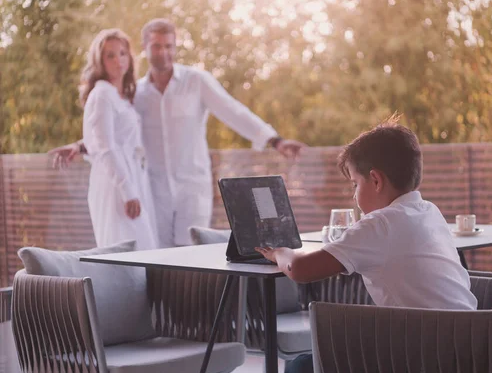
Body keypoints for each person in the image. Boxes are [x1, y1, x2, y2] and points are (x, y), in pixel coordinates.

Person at [50, 19, 305, 248]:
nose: (164, 53)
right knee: (158, 258)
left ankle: (192, 303)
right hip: (153, 188)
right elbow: (114, 132)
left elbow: (233, 111)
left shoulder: (196, 81)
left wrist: (276, 140)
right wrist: (79, 146)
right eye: (157, 46)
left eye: (169, 46)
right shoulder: (135, 92)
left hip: (192, 187)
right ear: (145, 48)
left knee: (192, 253)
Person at [255, 120, 477, 373]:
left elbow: (300, 269)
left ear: (375, 180)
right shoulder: (429, 211)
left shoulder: (380, 224)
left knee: (303, 366)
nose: (354, 195)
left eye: (354, 185)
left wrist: (279, 252)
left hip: (421, 358)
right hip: (465, 348)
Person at [80, 28, 158, 250]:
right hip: (116, 185)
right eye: (110, 55)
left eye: (122, 53)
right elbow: (105, 147)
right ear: (100, 61)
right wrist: (127, 191)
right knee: (127, 251)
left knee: (143, 249)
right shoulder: (102, 94)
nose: (118, 60)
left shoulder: (119, 96)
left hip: (132, 176)